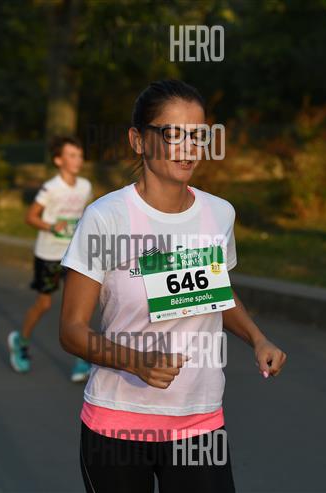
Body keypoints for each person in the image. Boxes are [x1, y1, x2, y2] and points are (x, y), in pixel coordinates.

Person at [59, 80, 287, 493]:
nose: (188, 148)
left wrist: (257, 338)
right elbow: (72, 331)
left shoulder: (218, 214)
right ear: (138, 140)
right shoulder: (106, 218)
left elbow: (215, 292)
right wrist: (136, 362)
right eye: (173, 134)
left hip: (199, 422)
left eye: (198, 135)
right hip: (118, 426)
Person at [8, 136, 93, 382]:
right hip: (48, 254)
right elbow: (30, 217)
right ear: (58, 160)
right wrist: (52, 227)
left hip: (74, 254)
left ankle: (81, 359)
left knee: (78, 306)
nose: (78, 160)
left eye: (80, 155)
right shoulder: (51, 188)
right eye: (72, 155)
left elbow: (88, 213)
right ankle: (21, 341)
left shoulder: (85, 186)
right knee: (44, 304)